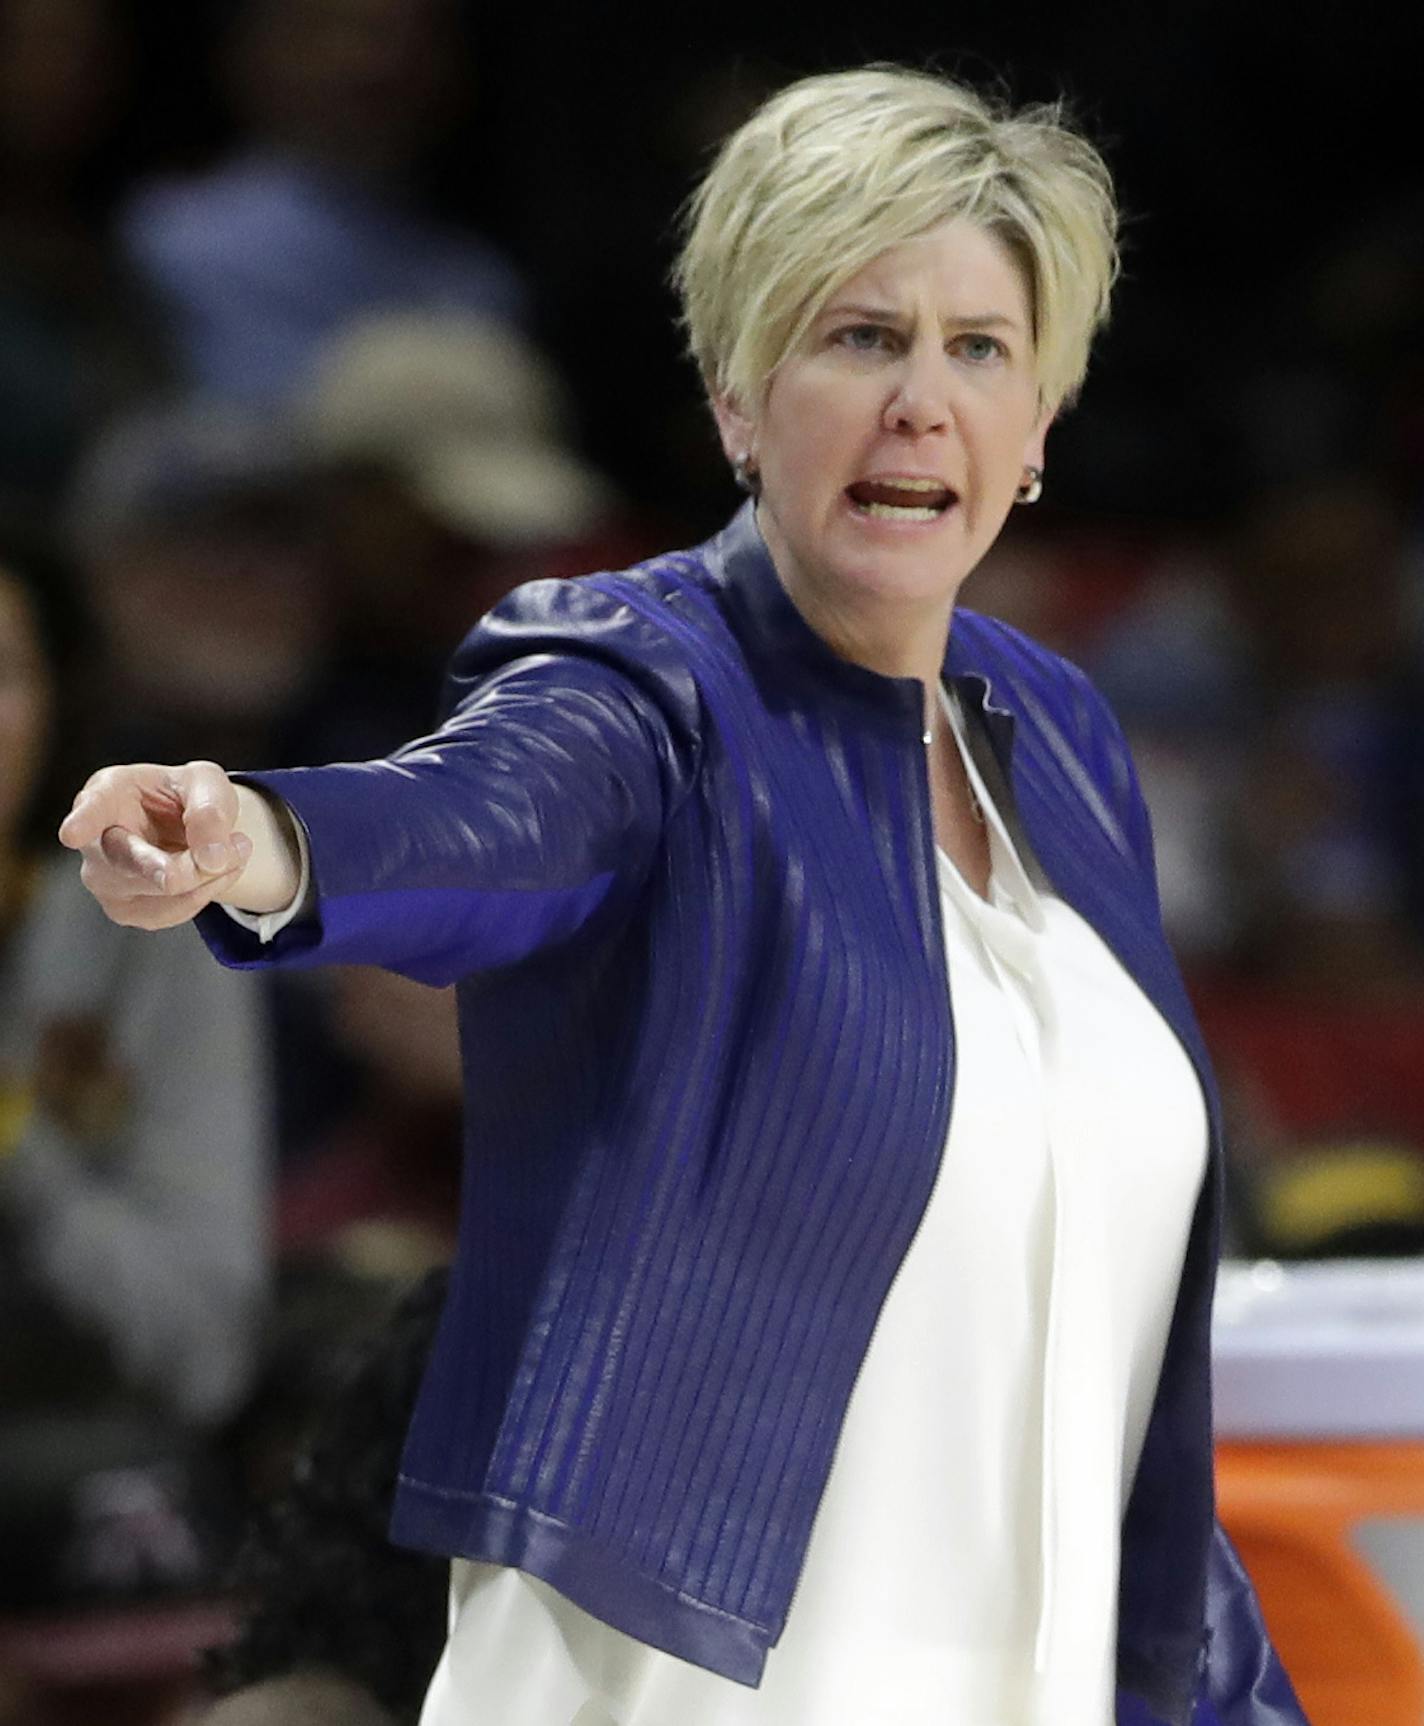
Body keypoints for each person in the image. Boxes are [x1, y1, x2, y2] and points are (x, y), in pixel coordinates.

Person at [60, 65, 1308, 1726]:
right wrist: (264, 839)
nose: (921, 401)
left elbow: (1112, 1368)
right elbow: (481, 812)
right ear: (737, 395)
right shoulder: (647, 685)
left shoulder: (1061, 737)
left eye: (978, 348)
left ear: (1039, 431)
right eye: (859, 337)